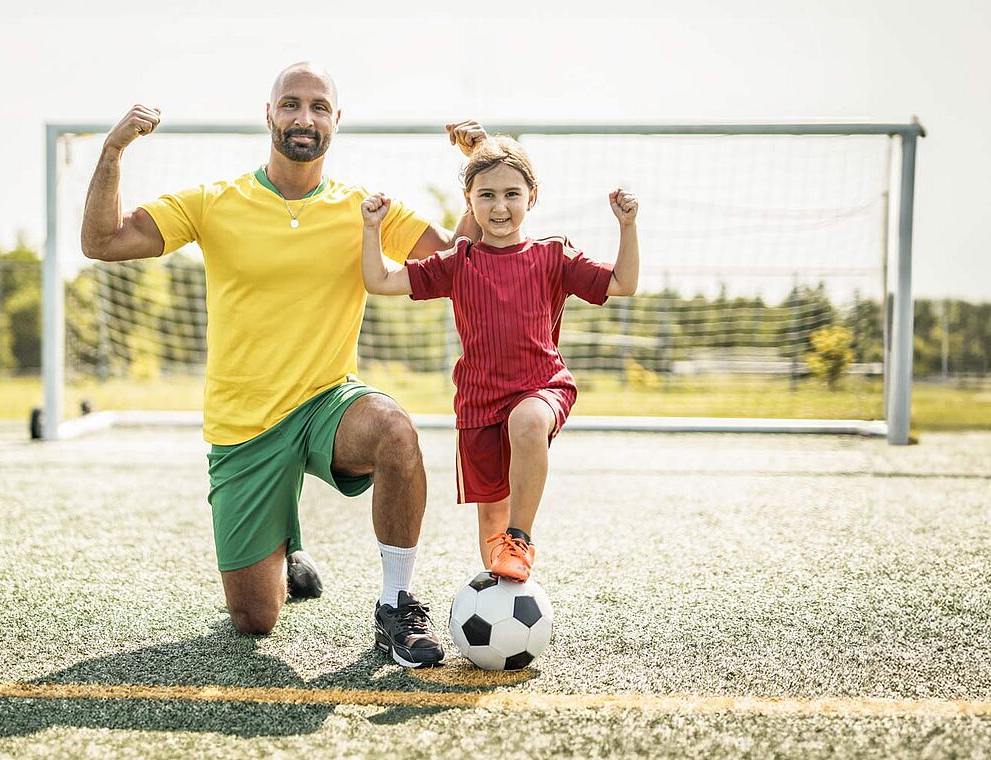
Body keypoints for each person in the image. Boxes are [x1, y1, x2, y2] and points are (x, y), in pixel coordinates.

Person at [80, 61, 486, 669]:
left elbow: (461, 260)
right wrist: (113, 151)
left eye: (319, 107)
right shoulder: (214, 202)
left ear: (336, 121)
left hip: (328, 404)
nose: (304, 117)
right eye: (291, 104)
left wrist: (477, 168)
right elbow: (103, 241)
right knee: (254, 621)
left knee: (395, 429)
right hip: (244, 427)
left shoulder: (363, 208)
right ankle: (281, 551)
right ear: (268, 115)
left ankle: (397, 607)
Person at [360, 135, 639, 583]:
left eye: (512, 194)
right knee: (493, 535)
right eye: (486, 195)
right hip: (479, 403)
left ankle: (522, 537)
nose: (500, 206)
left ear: (533, 195)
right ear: (469, 202)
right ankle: (503, 590)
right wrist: (371, 229)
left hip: (541, 386)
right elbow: (379, 280)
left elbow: (622, 283)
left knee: (527, 422)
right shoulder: (459, 261)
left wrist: (627, 226)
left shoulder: (553, 255)